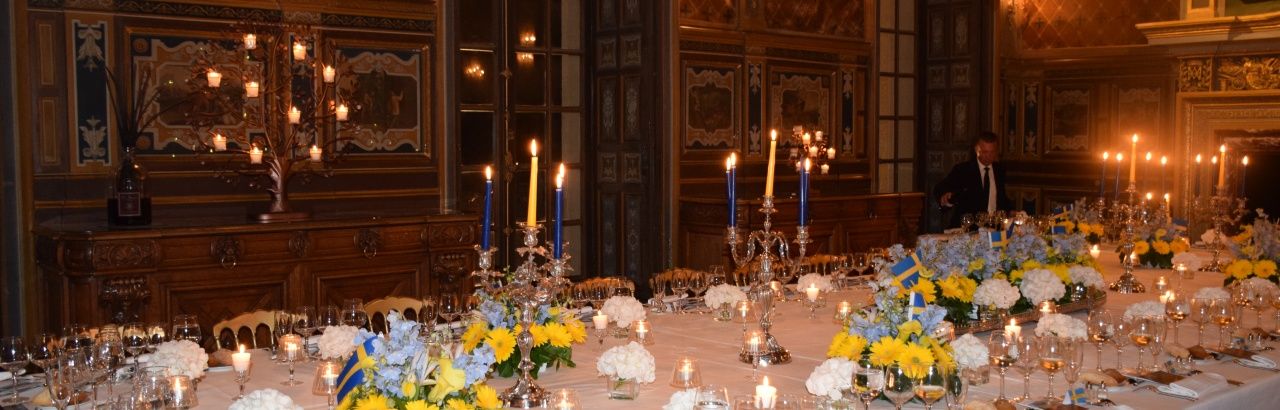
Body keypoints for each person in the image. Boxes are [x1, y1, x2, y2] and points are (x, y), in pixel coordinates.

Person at [933, 132, 1012, 229]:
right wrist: (944, 196)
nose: (989, 156)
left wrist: (1011, 212)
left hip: (994, 227)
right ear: (977, 150)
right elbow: (940, 188)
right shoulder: (964, 170)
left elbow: (1000, 198)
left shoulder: (999, 170)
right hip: (969, 228)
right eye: (985, 152)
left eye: (992, 152)